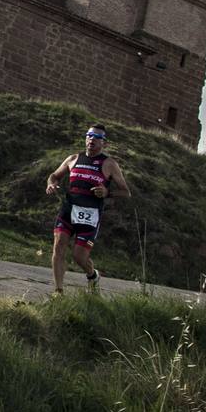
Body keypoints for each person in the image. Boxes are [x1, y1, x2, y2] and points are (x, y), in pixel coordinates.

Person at [45, 124, 131, 295]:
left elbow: (126, 192)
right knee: (59, 246)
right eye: (89, 135)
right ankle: (58, 292)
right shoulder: (73, 159)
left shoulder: (109, 164)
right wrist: (51, 184)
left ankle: (92, 275)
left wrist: (107, 192)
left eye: (97, 137)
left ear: (104, 143)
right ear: (85, 138)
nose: (92, 139)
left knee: (79, 257)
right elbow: (54, 175)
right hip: (68, 210)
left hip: (90, 216)